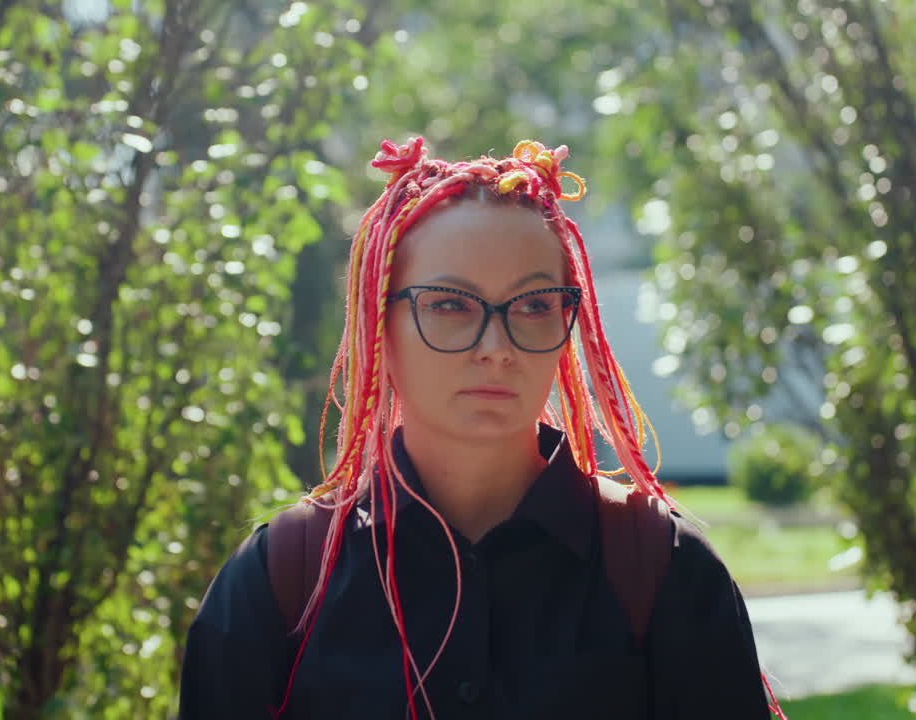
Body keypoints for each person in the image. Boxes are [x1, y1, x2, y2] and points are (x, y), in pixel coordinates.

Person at [178, 138, 786, 719]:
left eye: (534, 305)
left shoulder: (662, 567)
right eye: (449, 304)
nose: (497, 347)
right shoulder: (284, 576)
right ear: (378, 327)